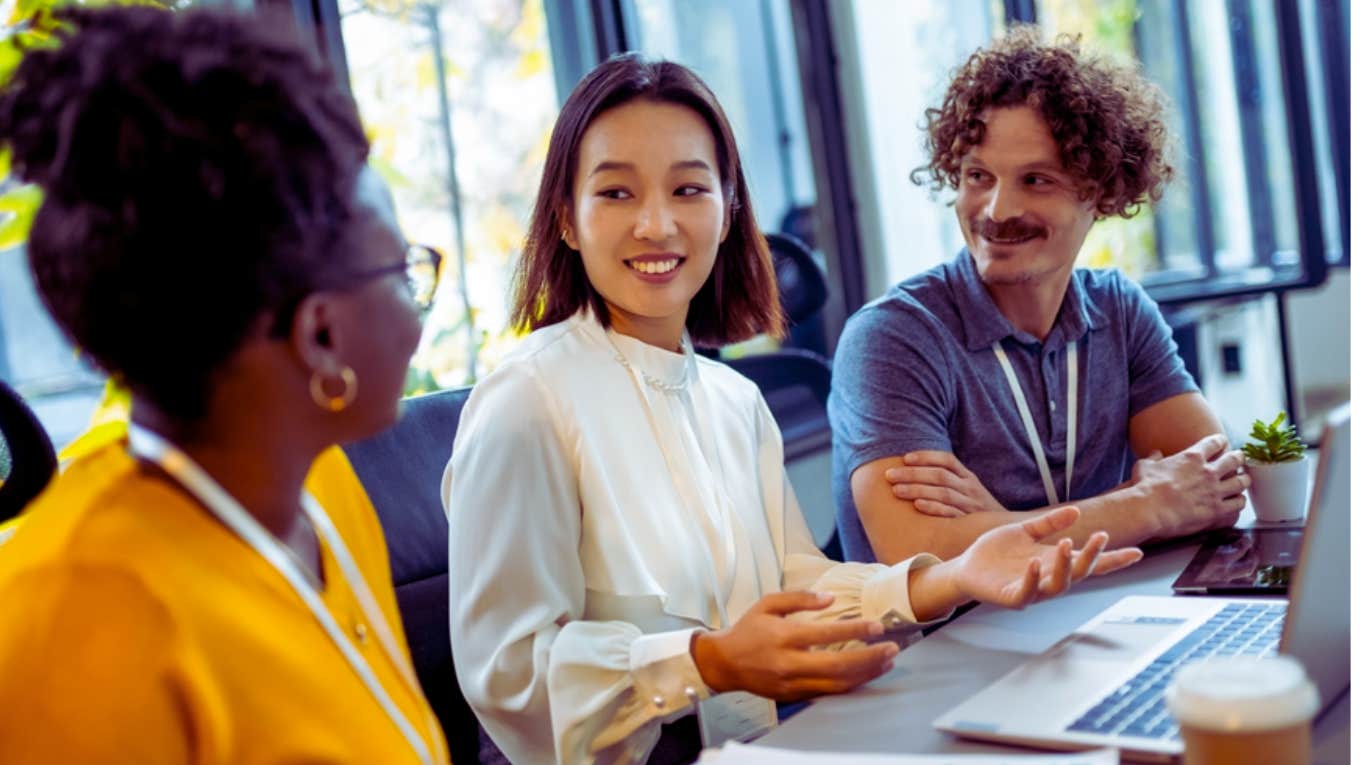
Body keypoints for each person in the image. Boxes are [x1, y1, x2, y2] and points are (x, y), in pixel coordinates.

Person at [443, 54, 1142, 765]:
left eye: (688, 188)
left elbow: (795, 583)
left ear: (727, 211)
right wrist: (707, 662)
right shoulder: (528, 401)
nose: (656, 224)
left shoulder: (732, 400)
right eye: (616, 193)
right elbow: (510, 673)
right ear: (566, 218)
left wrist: (952, 577)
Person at [0, 7, 449, 763]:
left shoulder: (318, 486)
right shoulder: (76, 615)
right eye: (403, 271)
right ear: (321, 335)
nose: (416, 310)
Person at [829, 26, 1250, 565]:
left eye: (1037, 180)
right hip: (945, 643)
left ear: (1100, 193)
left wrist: (996, 529)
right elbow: (917, 551)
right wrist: (1144, 506)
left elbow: (1213, 490)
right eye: (978, 175)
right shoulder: (894, 337)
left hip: (1089, 615)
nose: (998, 210)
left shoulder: (1119, 311)